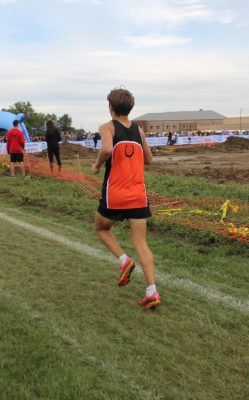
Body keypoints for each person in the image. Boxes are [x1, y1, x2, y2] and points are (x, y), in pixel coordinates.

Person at [91, 88, 160, 309]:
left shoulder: (107, 127)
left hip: (115, 195)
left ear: (110, 107)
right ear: (130, 108)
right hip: (138, 194)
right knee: (141, 242)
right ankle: (152, 291)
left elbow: (107, 149)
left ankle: (124, 261)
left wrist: (97, 164)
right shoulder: (139, 131)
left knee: (101, 229)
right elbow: (149, 159)